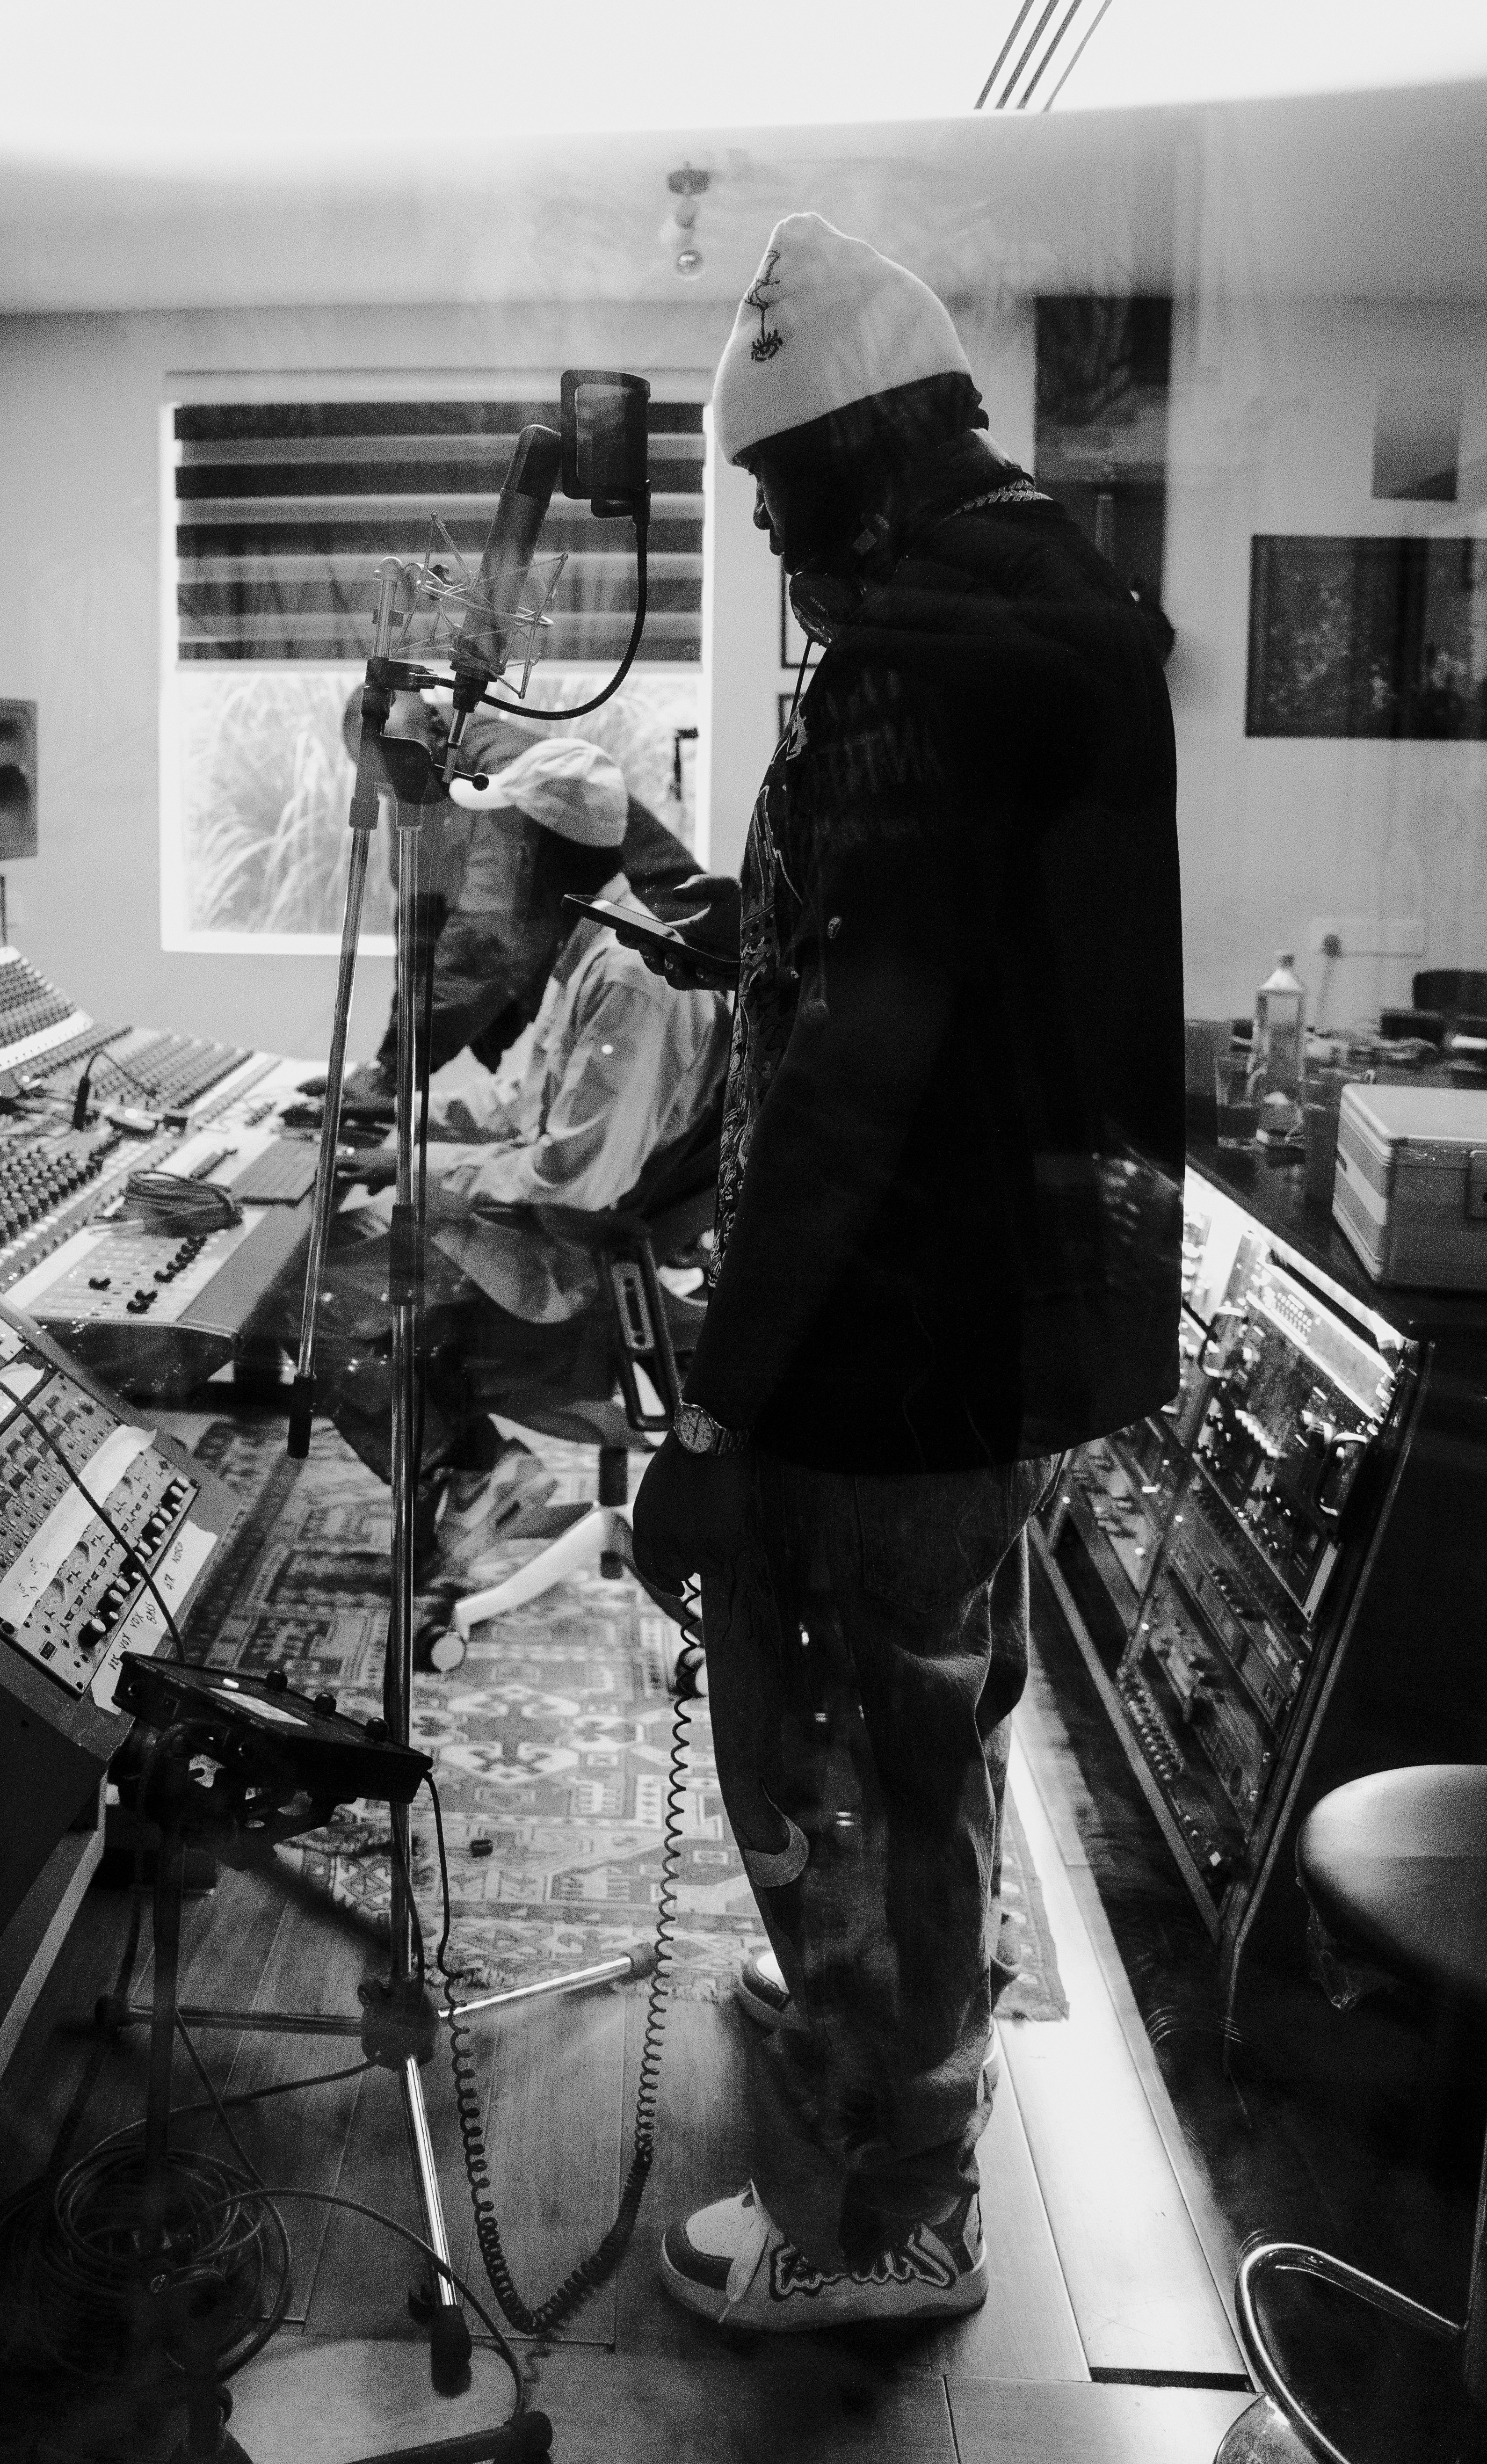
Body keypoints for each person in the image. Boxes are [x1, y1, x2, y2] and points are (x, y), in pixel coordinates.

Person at [631, 214, 1184, 2333]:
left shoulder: (916, 658)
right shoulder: (1032, 608)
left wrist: (713, 1412)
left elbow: (860, 1076)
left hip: (875, 1355)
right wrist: (726, 917)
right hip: (975, 1338)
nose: (778, 550)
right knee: (934, 1743)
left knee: (858, 1769)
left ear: (863, 460)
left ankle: (889, 2212)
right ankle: (888, 2063)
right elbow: (910, 959)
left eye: (782, 500)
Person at [305, 735, 729, 1542]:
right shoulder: (594, 947)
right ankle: (478, 1473)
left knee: (322, 1298)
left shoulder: (632, 979)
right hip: (550, 1230)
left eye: (496, 840)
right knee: (346, 1241)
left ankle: (469, 1477)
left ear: (534, 850)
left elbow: (575, 1177)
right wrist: (405, 1124)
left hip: (571, 1263)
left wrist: (415, 1168)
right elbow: (519, 1102)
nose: (483, 863)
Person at [332, 688, 708, 1101]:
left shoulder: (503, 774)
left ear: (439, 732)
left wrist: (395, 1070)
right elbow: (418, 920)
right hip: (595, 942)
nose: (397, 795)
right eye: (383, 786)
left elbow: (486, 936)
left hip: (667, 952)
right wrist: (389, 1066)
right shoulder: (409, 768)